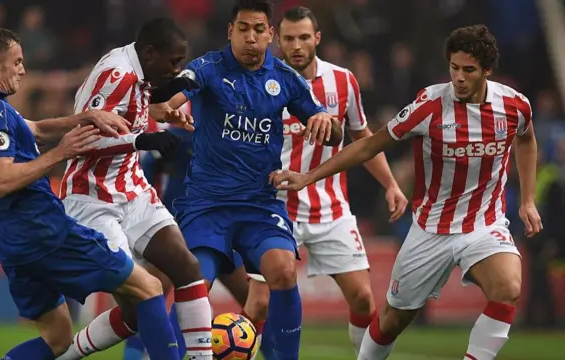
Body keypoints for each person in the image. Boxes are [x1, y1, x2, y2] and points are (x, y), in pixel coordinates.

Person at [270, 24, 543, 360]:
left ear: (487, 70)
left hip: (484, 224)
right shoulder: (429, 105)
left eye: (468, 70)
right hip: (430, 229)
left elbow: (526, 139)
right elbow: (369, 144)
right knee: (391, 321)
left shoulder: (514, 106)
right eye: (454, 68)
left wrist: (527, 200)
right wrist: (309, 176)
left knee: (508, 289)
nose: (458, 77)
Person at [0, 27, 180, 360]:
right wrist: (62, 152)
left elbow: (36, 129)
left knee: (58, 338)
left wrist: (85, 116)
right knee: (150, 288)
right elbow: (1, 181)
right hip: (44, 231)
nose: (23, 70)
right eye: (16, 62)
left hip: (12, 239)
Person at [157, 1, 342, 358]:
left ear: (270, 34)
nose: (251, 38)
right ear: (231, 31)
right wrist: (167, 104)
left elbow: (333, 133)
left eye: (259, 29)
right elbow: (180, 91)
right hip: (207, 204)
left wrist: (325, 122)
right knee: (194, 284)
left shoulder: (285, 78)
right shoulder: (209, 68)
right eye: (243, 29)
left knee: (284, 272)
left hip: (259, 204)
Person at [242, 6, 409, 358]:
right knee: (257, 305)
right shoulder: (257, 82)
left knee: (364, 299)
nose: (297, 45)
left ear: (317, 38)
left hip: (330, 208)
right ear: (276, 40)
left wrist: (391, 184)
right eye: (289, 38)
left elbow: (363, 137)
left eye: (304, 37)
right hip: (273, 208)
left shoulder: (343, 81)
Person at [55, 18, 213, 360]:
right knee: (137, 304)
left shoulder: (139, 70)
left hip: (132, 188)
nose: (178, 68)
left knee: (187, 268)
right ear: (150, 52)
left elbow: (140, 101)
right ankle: (64, 355)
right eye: (174, 61)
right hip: (91, 198)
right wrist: (142, 139)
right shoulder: (115, 74)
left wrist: (167, 102)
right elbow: (81, 140)